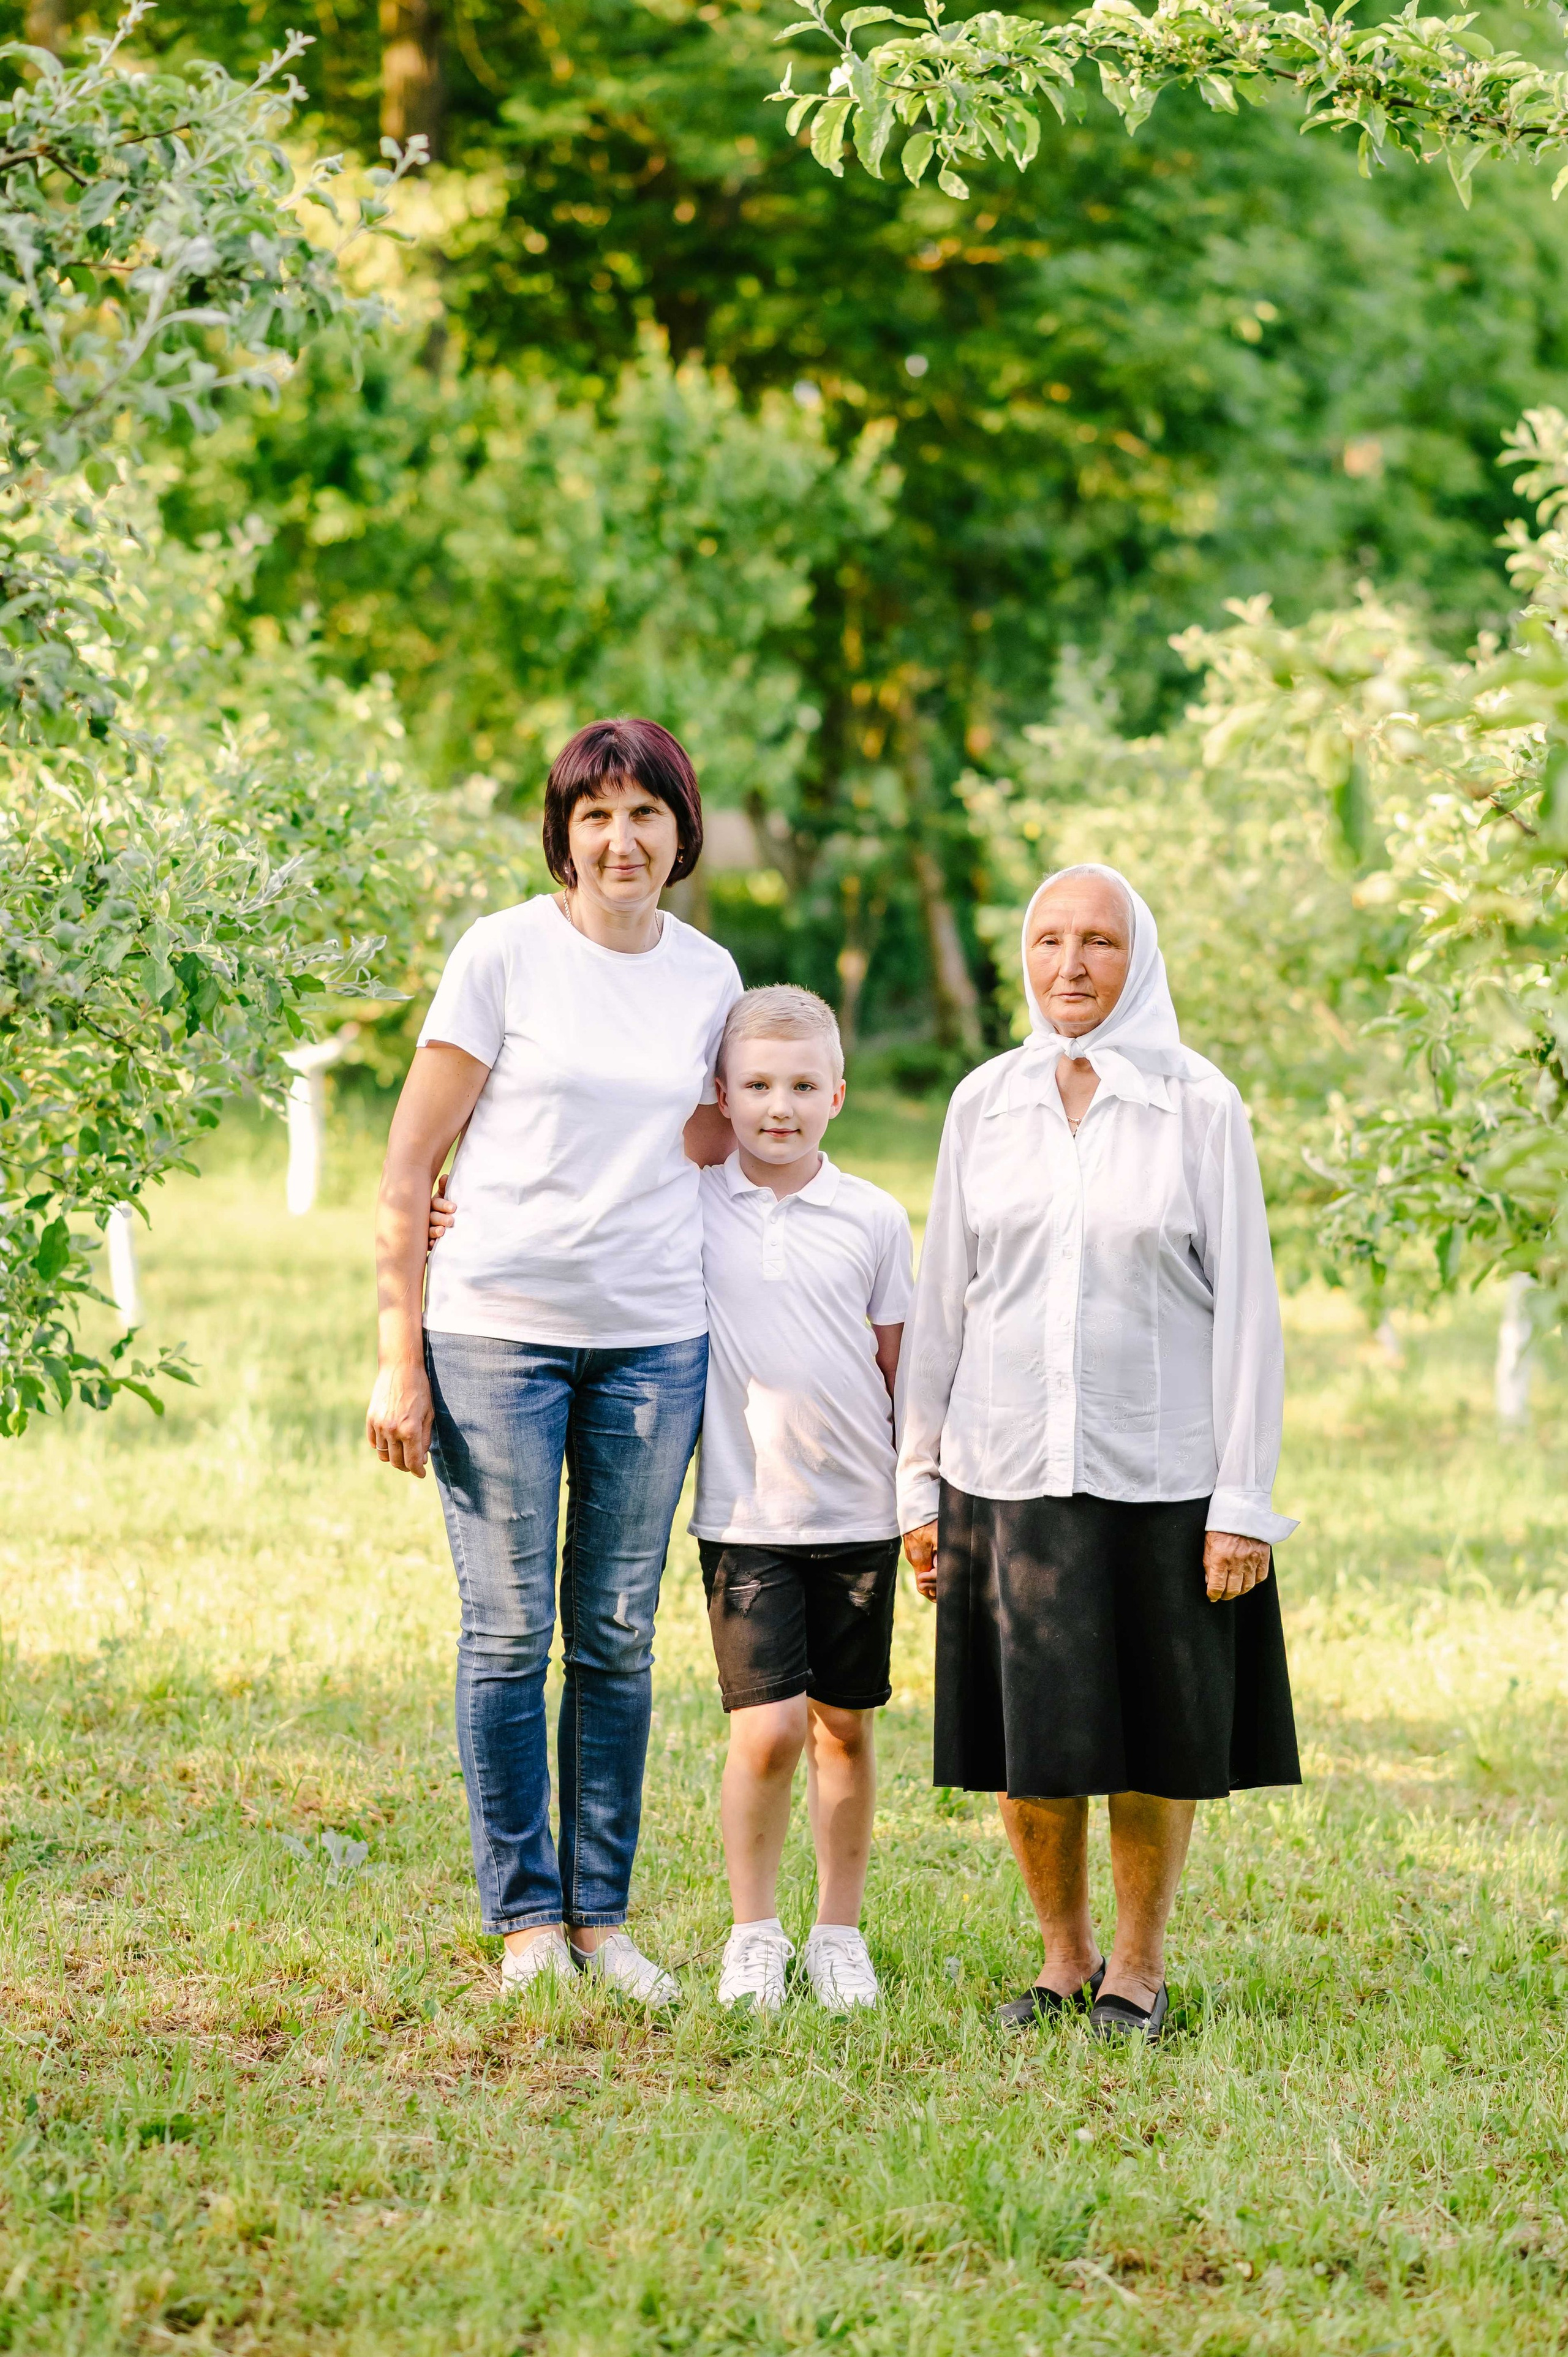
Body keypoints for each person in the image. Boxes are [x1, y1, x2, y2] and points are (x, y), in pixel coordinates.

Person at [366, 717, 741, 2005]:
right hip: (494, 1335)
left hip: (652, 1338)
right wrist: (395, 1356)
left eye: (645, 814)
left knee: (618, 1632)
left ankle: (602, 1919)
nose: (620, 839)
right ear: (564, 833)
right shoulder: (503, 955)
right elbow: (412, 1163)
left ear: (679, 832)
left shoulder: (708, 978)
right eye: (596, 816)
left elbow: (721, 1135)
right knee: (509, 1626)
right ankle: (526, 1918)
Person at [899, 862, 1299, 2043]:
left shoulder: (1201, 1106)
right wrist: (918, 1481)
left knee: (1154, 1735)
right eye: (1049, 941)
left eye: (1100, 944)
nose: (1070, 967)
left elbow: (1250, 1315)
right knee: (1035, 1742)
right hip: (1005, 1466)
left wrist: (1244, 1499)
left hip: (1162, 1473)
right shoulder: (984, 1102)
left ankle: (1137, 1967)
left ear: (1142, 960)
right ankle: (1061, 1958)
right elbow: (943, 1305)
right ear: (1024, 957)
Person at [690, 986, 913, 2015]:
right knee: (769, 1729)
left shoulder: (872, 1216)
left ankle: (837, 1931)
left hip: (858, 1514)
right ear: (723, 1095)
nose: (779, 1106)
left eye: (802, 1086)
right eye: (758, 1085)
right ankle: (753, 1932)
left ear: (837, 1094)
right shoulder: (693, 1203)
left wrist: (922, 1498)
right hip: (747, 1518)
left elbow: (898, 1366)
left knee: (844, 1727)